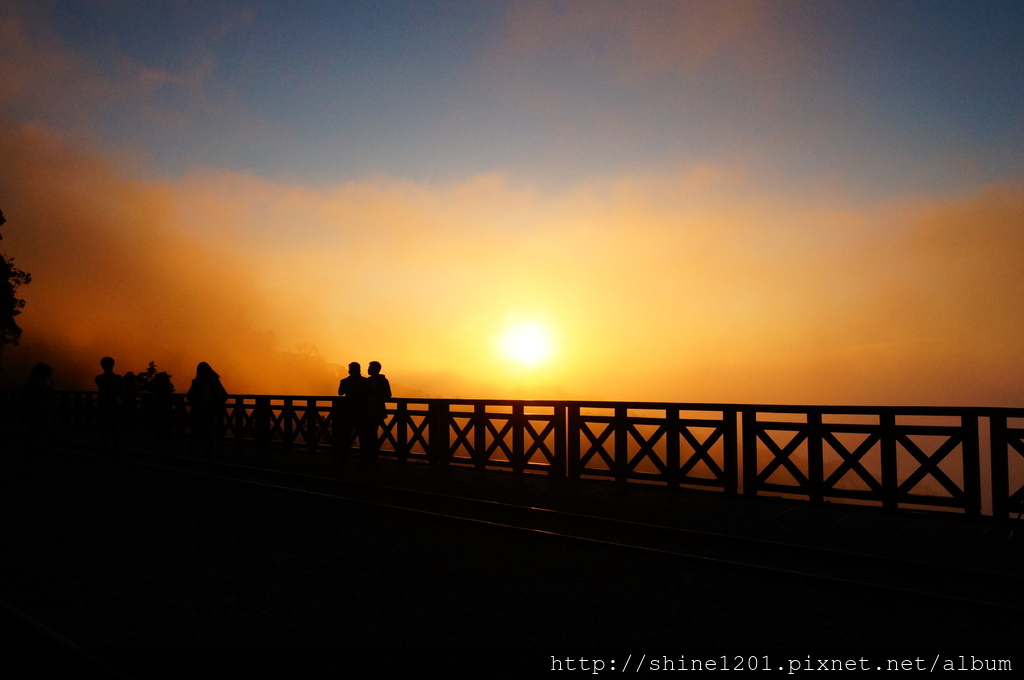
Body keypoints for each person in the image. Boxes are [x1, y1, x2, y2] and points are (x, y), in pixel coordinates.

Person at [187, 362, 228, 458]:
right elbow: (189, 395)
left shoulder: (212, 381)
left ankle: (204, 451)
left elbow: (224, 395)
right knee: (200, 430)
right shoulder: (198, 382)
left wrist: (216, 404)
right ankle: (198, 450)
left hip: (207, 410)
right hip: (202, 410)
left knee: (205, 431)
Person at [337, 362, 371, 466]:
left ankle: (344, 458)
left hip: (349, 412)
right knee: (363, 437)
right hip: (362, 412)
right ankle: (364, 459)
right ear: (359, 370)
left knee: (346, 436)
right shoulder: (365, 381)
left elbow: (340, 393)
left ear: (350, 370)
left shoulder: (345, 381)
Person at [94, 356, 124, 453]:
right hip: (114, 405)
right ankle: (116, 448)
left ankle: (105, 447)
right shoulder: (118, 378)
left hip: (102, 404)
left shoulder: (99, 378)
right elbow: (119, 391)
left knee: (104, 428)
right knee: (115, 428)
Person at [23, 362, 55, 451]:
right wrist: (50, 390)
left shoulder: (35, 383)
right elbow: (40, 398)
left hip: (37, 413)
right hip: (38, 413)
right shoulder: (36, 384)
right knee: (47, 435)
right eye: (48, 373)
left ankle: (33, 456)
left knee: (35, 435)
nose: (49, 375)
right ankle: (40, 456)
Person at [366, 361, 392, 456]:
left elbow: (388, 395)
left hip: (376, 411)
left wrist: (376, 397)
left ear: (375, 369)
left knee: (372, 434)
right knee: (370, 434)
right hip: (368, 410)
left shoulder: (382, 381)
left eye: (370, 368)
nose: (368, 370)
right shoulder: (368, 381)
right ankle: (372, 454)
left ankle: (373, 455)